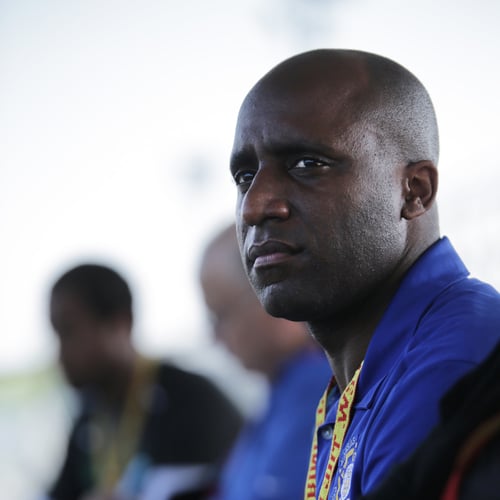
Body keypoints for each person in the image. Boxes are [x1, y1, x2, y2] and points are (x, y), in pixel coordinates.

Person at [228, 48, 500, 499]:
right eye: (244, 176)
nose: (255, 206)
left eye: (307, 164)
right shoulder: (370, 371)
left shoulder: (458, 363)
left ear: (415, 191)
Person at [44, 263, 242, 500]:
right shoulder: (91, 414)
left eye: (69, 332)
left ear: (121, 323)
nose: (60, 354)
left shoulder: (194, 402)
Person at [199, 222, 331, 499]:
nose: (216, 339)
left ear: (266, 290)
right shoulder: (281, 391)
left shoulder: (325, 391)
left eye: (220, 316)